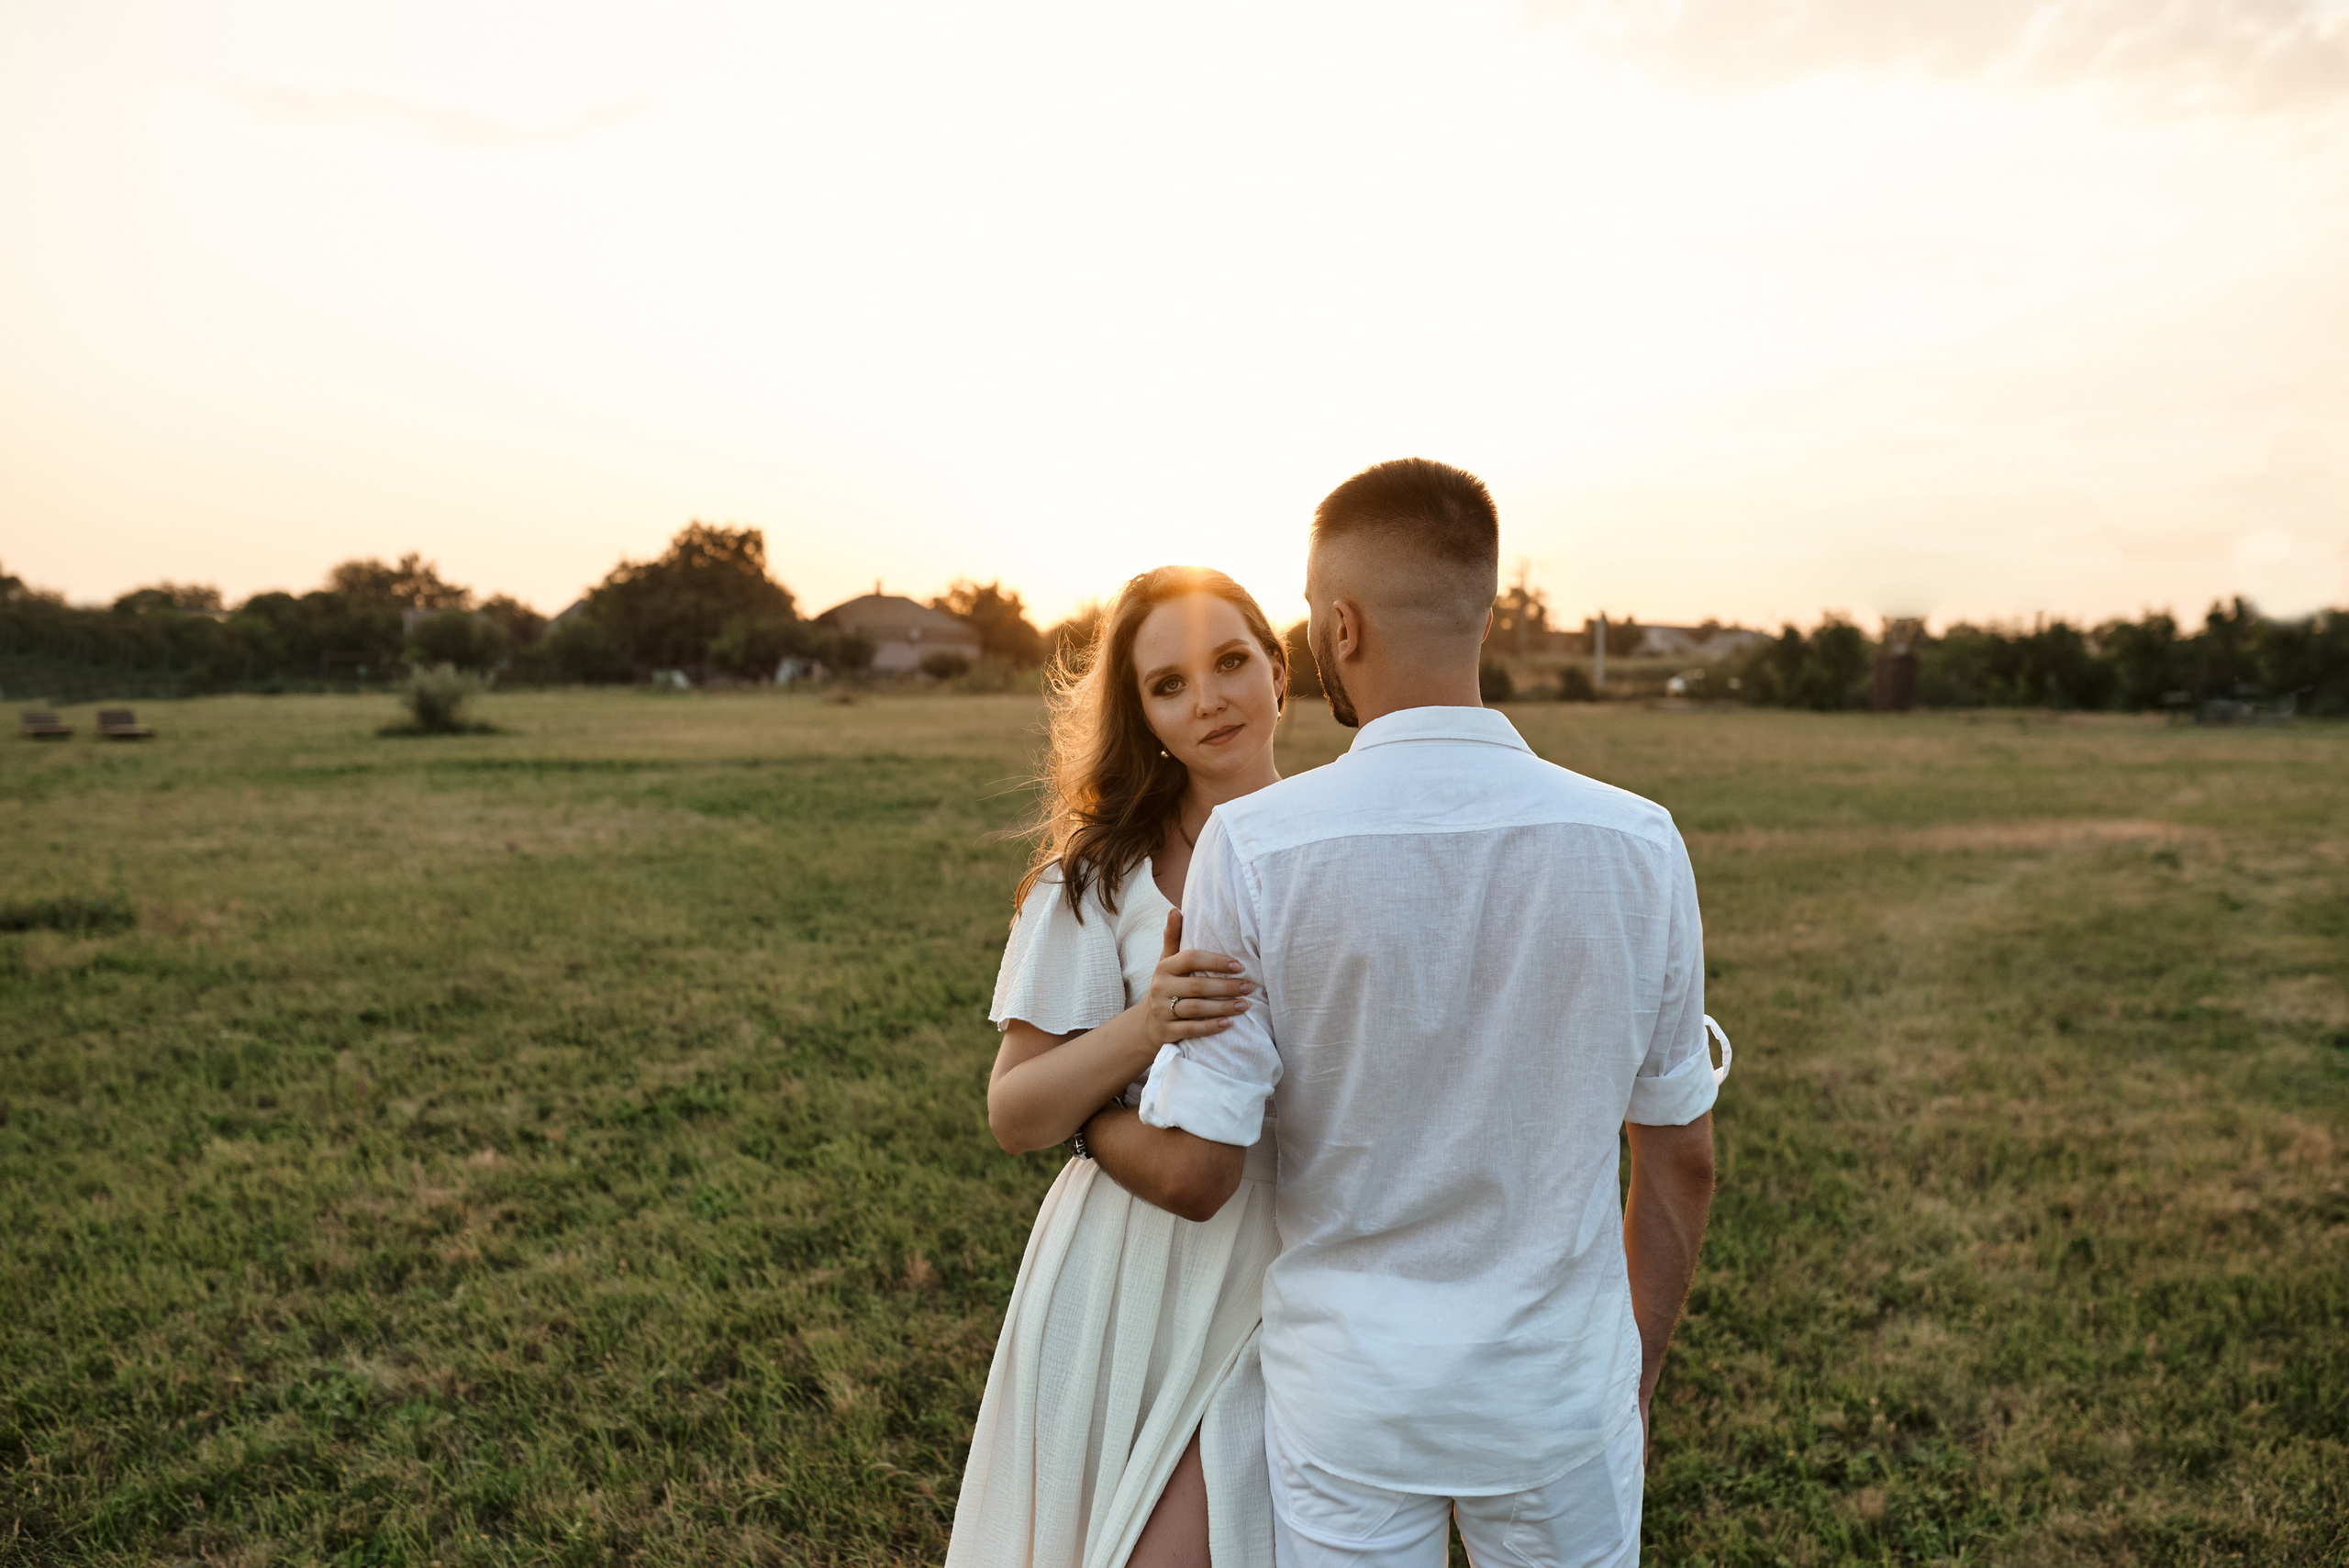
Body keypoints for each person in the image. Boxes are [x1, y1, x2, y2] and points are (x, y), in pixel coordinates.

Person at [1083, 458, 1731, 1568]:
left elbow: (1205, 1166)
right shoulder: (1637, 841)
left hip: (1350, 1404)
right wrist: (1627, 1379)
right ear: (1483, 610)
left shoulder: (1257, 846)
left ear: (1339, 627)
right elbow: (1680, 1161)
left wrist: (1086, 1113)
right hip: (1560, 1399)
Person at [947, 566, 1290, 1568]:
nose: (1210, 698)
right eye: (1169, 683)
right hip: (1131, 1265)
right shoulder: (1096, 877)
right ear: (1141, 714)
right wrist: (1143, 1029)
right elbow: (1015, 1110)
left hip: (1304, 1259)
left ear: (1279, 668)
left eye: (1230, 662)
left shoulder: (1343, 843)